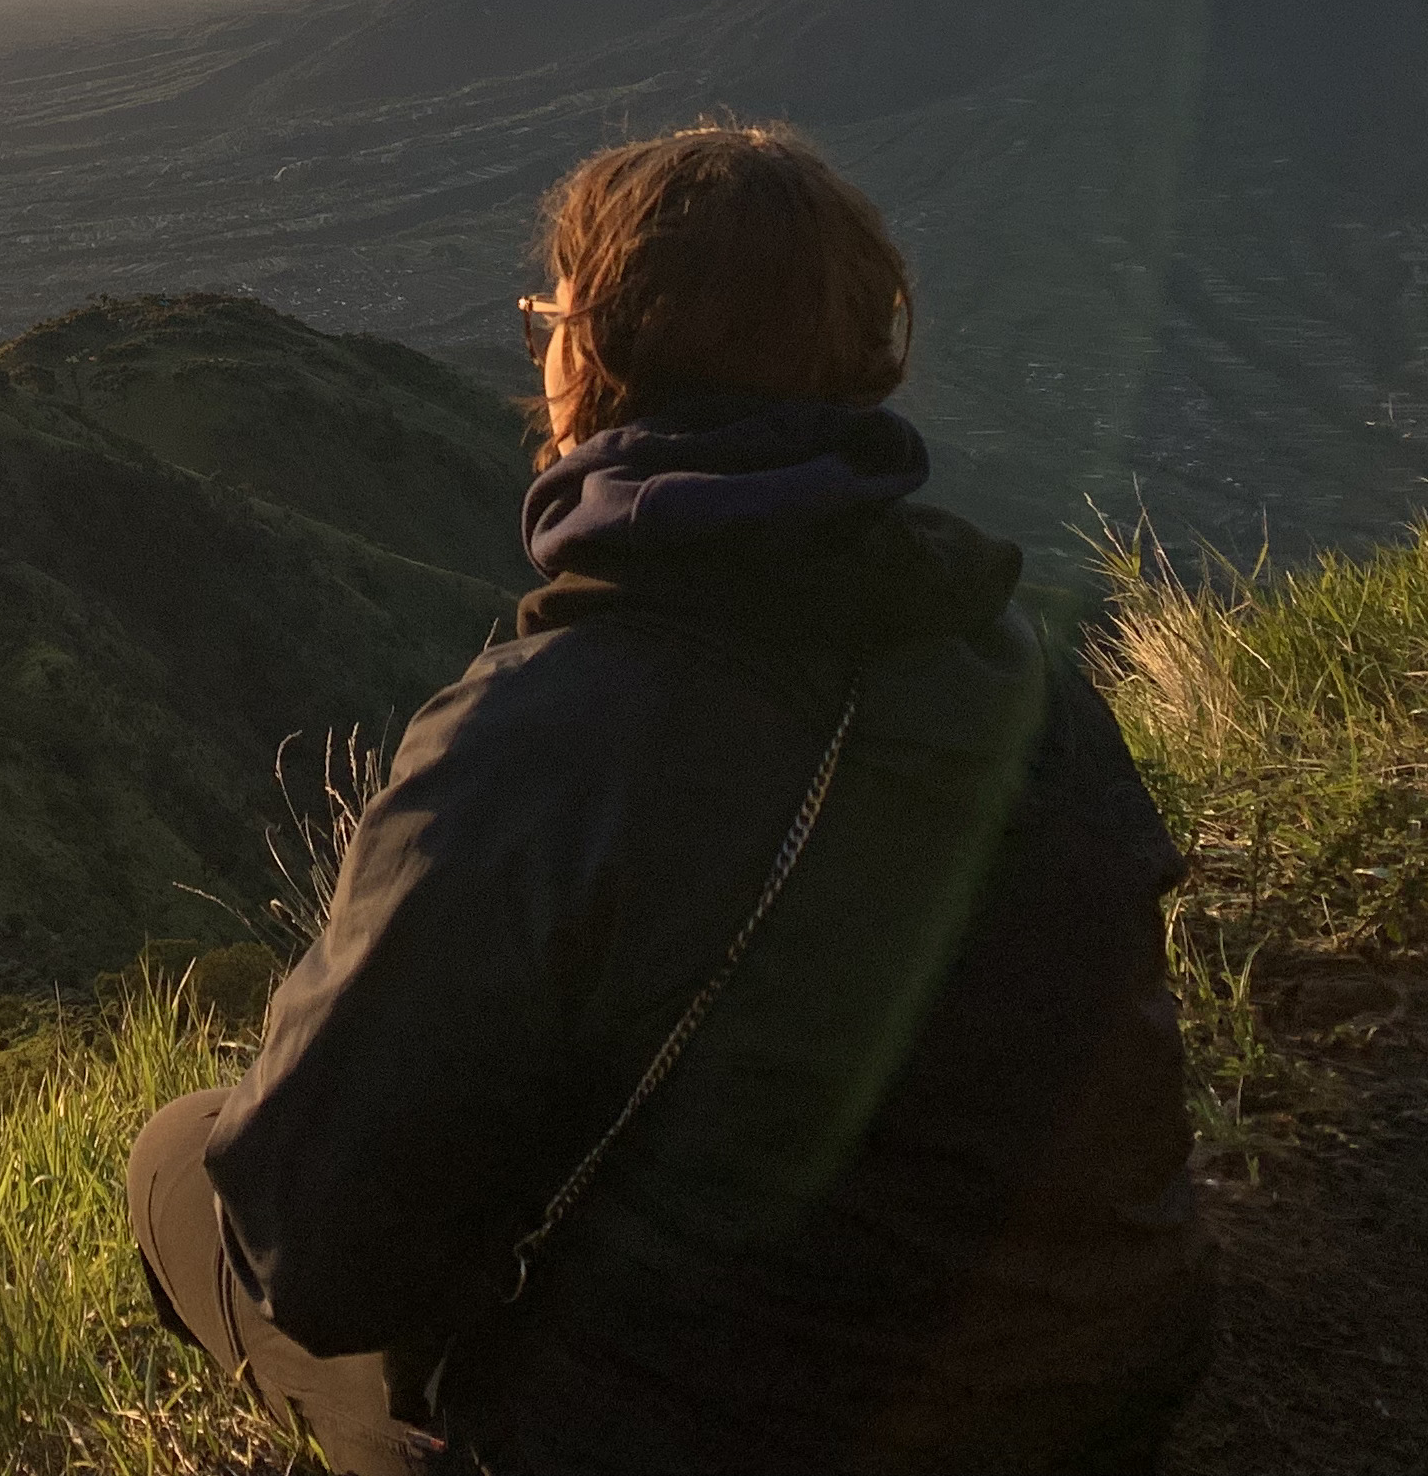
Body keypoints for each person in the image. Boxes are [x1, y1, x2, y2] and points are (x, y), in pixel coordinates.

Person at [129, 122, 1212, 1475]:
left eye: (552, 317)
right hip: (1100, 1394)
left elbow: (316, 1251)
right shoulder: (1018, 669)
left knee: (181, 1165)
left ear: (591, 359)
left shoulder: (542, 734)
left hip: (727, 1437)